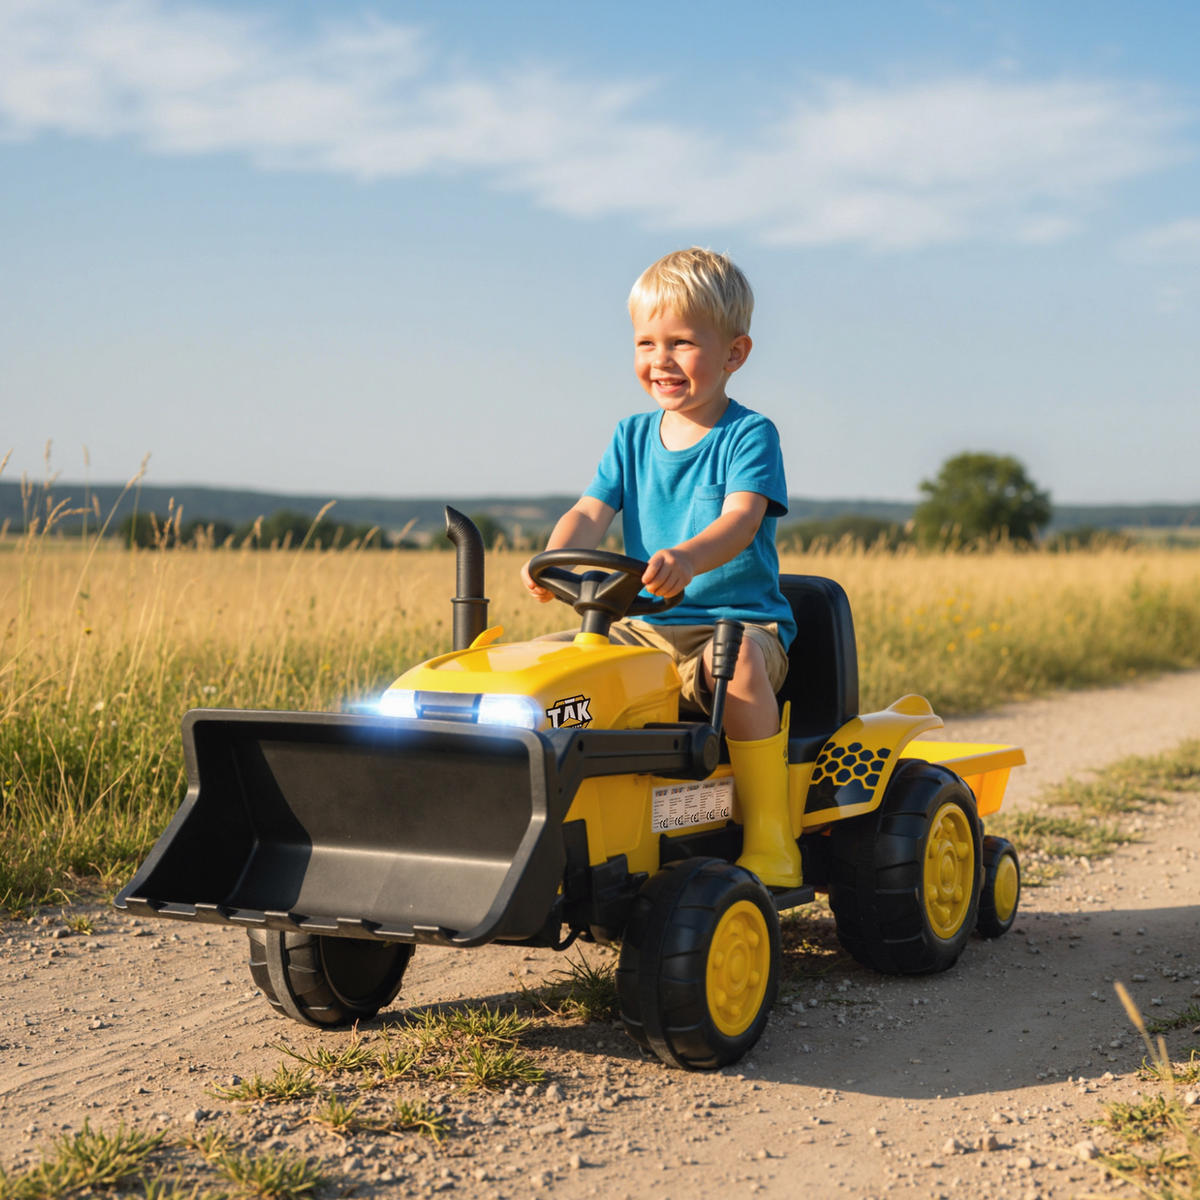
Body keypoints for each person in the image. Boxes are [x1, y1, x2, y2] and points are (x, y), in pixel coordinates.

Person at [521, 247, 801, 887]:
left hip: (732, 626)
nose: (660, 360)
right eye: (646, 342)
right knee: (545, 671)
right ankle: (551, 836)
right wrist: (550, 557)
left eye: (681, 342)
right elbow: (589, 512)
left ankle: (770, 836)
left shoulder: (748, 435)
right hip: (638, 629)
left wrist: (685, 557)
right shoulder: (630, 436)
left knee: (740, 670)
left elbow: (740, 521)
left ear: (734, 354)